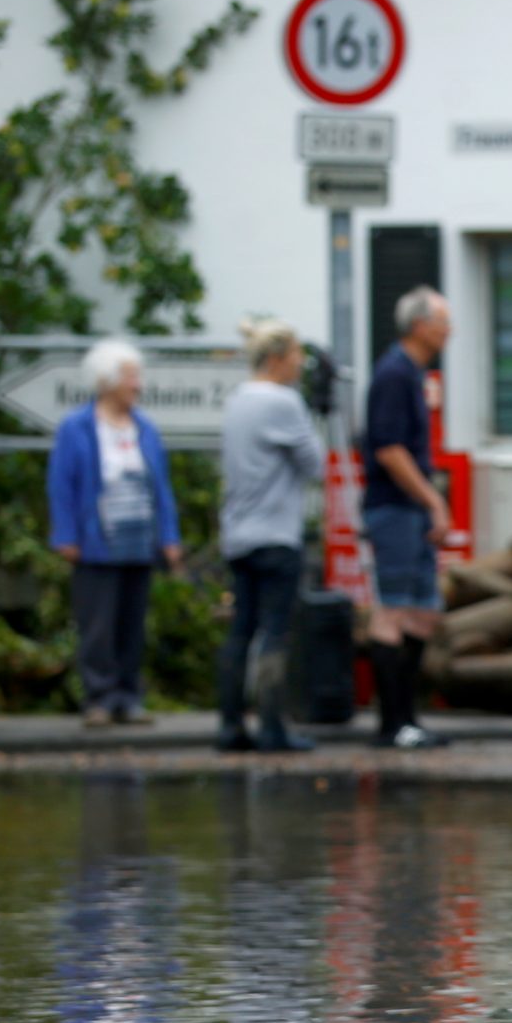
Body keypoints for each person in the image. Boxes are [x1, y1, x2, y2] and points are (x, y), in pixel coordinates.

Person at [46, 340, 182, 727]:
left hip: (139, 541)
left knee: (132, 624)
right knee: (97, 626)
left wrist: (169, 537)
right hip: (95, 543)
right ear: (106, 381)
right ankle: (99, 698)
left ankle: (128, 697)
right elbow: (61, 484)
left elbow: (162, 488)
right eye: (130, 377)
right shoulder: (77, 427)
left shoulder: (146, 428)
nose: (137, 385)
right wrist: (66, 535)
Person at [215, 319, 326, 752]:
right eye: (297, 354)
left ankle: (229, 725)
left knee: (240, 629)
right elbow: (314, 465)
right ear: (278, 358)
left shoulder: (237, 400)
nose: (301, 363)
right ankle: (272, 727)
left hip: (238, 533)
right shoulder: (283, 402)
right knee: (276, 632)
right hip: (276, 533)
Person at [364, 286, 456, 750]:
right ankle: (392, 723)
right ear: (420, 326)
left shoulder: (413, 374)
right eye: (443, 322)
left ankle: (407, 719)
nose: (449, 331)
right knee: (394, 609)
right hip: (396, 508)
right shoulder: (395, 375)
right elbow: (388, 449)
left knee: (421, 613)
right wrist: (433, 500)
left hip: (410, 508)